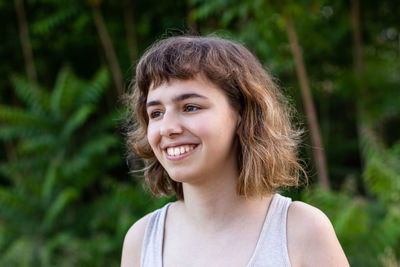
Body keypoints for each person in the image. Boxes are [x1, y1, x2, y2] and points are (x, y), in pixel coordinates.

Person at [121, 35, 349, 267]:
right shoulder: (141, 241)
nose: (167, 128)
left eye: (190, 107)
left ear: (242, 114)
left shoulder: (302, 231)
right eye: (156, 113)